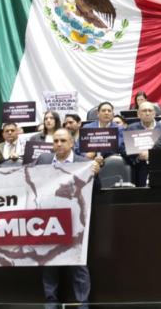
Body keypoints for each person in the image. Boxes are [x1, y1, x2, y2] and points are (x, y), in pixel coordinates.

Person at [36, 128, 100, 307]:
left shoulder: (84, 163)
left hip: (76, 219)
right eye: (56, 141)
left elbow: (97, 190)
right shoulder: (44, 160)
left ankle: (83, 302)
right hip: (49, 218)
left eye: (63, 141)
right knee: (49, 259)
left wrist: (96, 175)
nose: (59, 144)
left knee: (77, 261)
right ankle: (51, 301)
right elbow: (27, 176)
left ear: (72, 143)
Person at [125, 101, 161, 187]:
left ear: (154, 113)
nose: (147, 113)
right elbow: (123, 148)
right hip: (139, 167)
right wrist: (138, 156)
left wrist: (153, 154)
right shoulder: (131, 128)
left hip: (159, 166)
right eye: (144, 111)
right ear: (138, 114)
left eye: (150, 110)